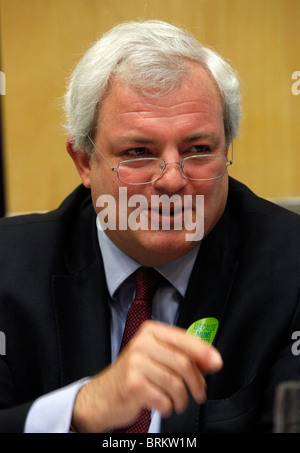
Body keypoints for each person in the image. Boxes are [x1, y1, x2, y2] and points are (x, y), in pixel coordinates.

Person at [0, 20, 299, 434]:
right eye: (139, 152)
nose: (173, 180)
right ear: (84, 162)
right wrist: (80, 409)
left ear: (226, 149)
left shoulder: (292, 266)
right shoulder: (8, 268)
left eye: (199, 149)